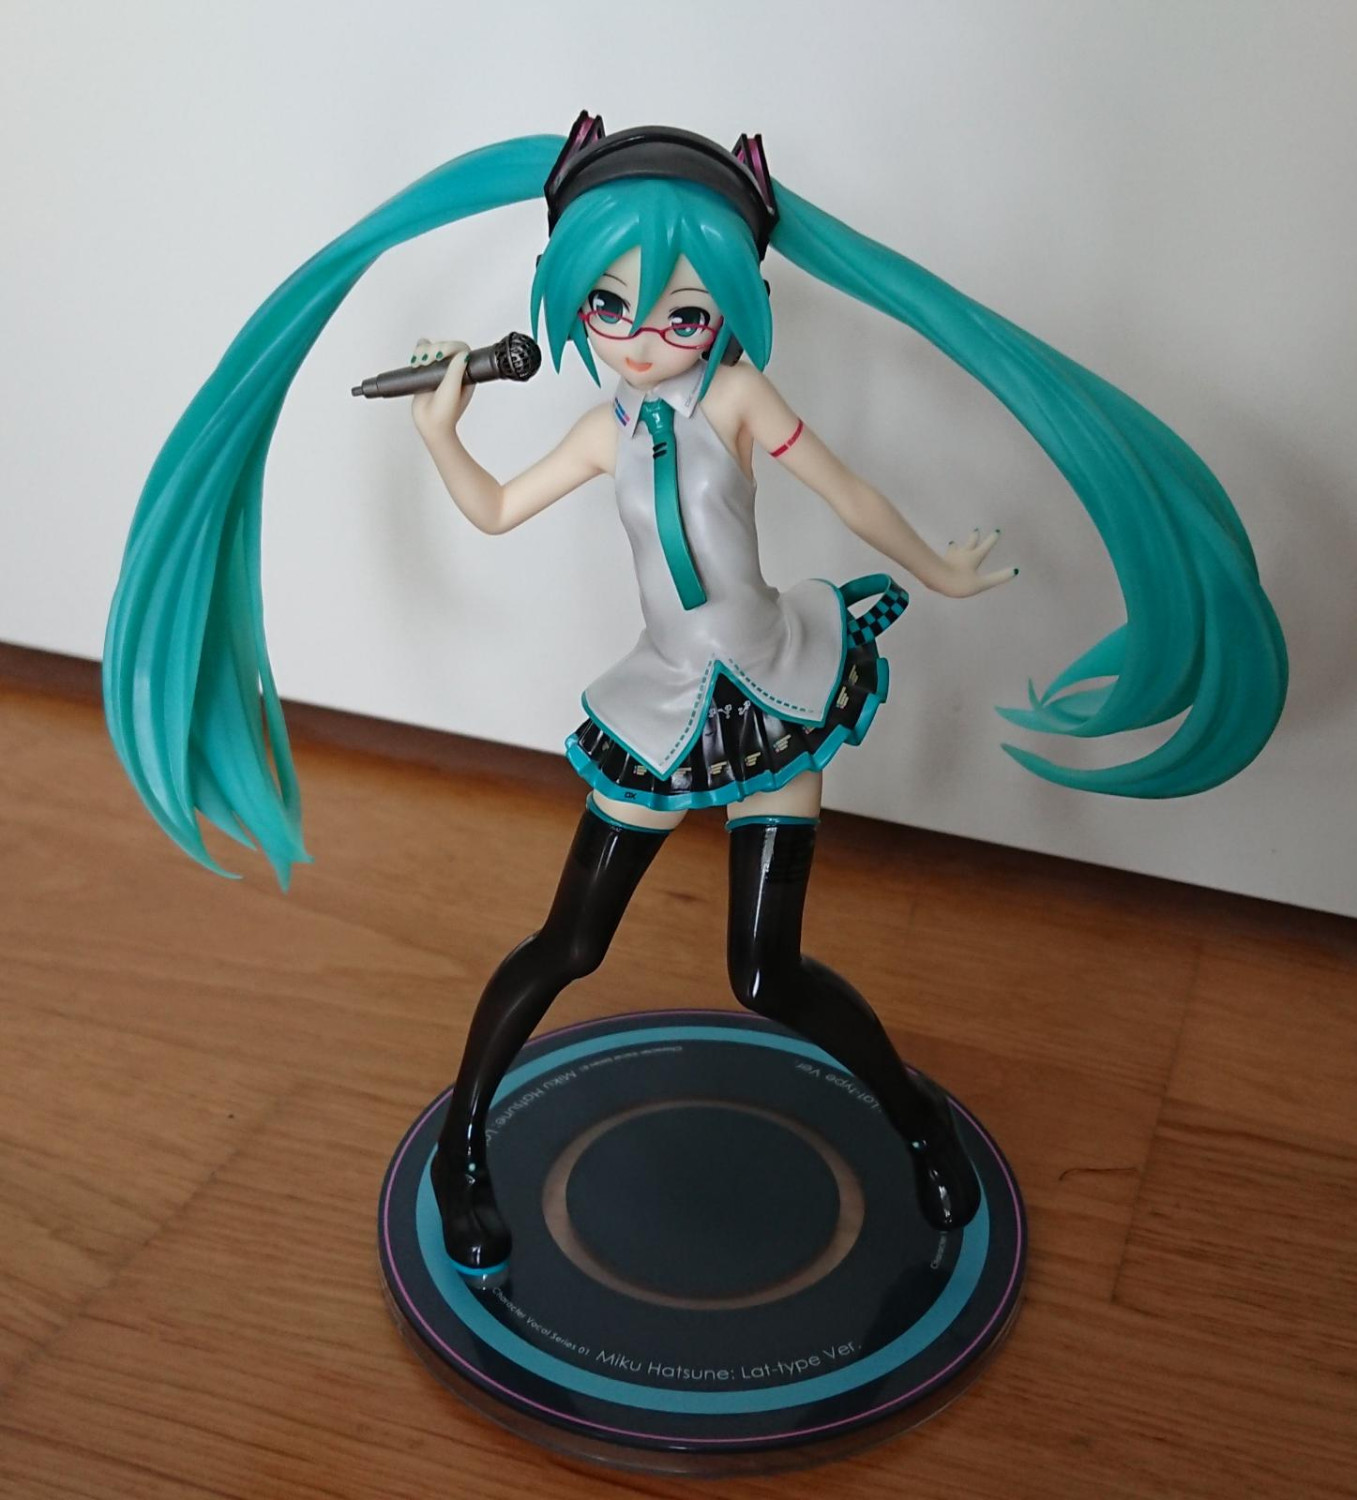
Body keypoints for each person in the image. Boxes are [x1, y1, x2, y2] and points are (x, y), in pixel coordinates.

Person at [102, 113, 1287, 1277]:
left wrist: (936, 567)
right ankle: (464, 1147)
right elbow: (499, 509)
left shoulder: (736, 400)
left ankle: (916, 1120)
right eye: (607, 306)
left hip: (776, 693)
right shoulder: (601, 430)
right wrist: (440, 433)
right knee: (568, 944)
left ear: (733, 307)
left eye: (681, 315)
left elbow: (847, 490)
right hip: (664, 710)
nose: (638, 339)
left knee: (766, 973)